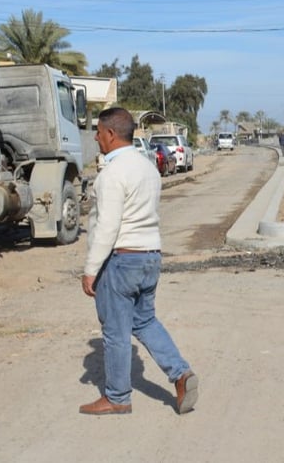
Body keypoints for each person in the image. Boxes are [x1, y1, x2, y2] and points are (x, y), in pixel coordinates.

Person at [79, 107, 197, 415]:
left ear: (111, 134)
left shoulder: (112, 174)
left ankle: (117, 397)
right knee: (144, 320)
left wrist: (91, 270)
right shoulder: (147, 167)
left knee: (115, 331)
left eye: (99, 132)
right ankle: (180, 373)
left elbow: (108, 227)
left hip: (121, 260)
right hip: (150, 256)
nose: (96, 137)